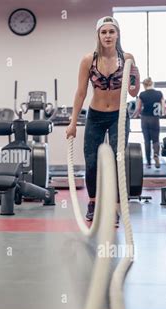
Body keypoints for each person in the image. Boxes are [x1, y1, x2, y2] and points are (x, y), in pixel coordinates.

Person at [65, 16, 140, 224]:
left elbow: (133, 91)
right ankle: (93, 203)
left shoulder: (127, 58)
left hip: (119, 115)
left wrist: (135, 72)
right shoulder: (88, 60)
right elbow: (80, 92)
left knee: (118, 161)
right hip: (95, 115)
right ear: (98, 35)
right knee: (91, 162)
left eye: (111, 31)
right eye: (104, 32)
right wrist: (72, 123)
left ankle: (115, 206)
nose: (108, 36)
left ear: (118, 34)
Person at [132, 77, 165, 168]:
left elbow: (138, 108)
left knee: (147, 140)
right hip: (155, 118)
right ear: (152, 84)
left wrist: (135, 116)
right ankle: (156, 155)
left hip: (145, 119)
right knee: (156, 140)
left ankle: (148, 162)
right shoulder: (159, 93)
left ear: (144, 85)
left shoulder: (142, 94)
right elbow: (163, 105)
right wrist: (164, 114)